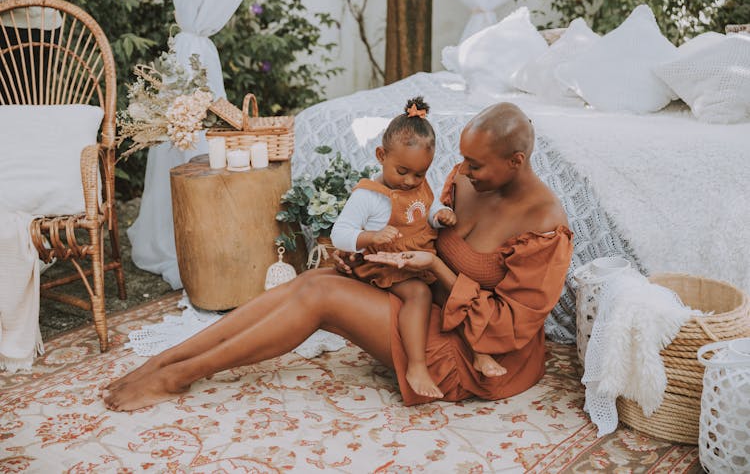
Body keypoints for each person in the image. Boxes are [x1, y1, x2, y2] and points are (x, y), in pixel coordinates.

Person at [103, 102, 573, 411]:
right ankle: (168, 359)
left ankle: (179, 376)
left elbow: (509, 327)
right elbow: (422, 230)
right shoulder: (466, 178)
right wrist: (376, 258)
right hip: (423, 304)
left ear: (516, 161)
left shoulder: (545, 226)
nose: (463, 172)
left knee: (322, 298)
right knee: (313, 281)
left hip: (477, 353)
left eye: (475, 165)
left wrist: (434, 268)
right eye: (463, 160)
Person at [331, 97, 486, 399]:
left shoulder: (418, 185)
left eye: (420, 174)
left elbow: (424, 209)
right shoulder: (369, 196)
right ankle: (416, 365)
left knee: (455, 292)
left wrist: (440, 216)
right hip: (386, 265)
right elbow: (340, 233)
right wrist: (368, 238)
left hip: (418, 260)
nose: (410, 181)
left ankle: (479, 350)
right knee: (420, 294)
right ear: (381, 155)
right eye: (402, 172)